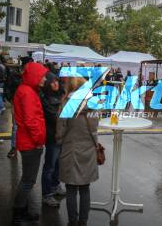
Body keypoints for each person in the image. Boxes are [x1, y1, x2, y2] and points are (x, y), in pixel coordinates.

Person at [56, 77, 100, 226]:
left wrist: (60, 140)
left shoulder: (66, 105)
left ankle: (72, 222)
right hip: (88, 150)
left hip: (70, 149)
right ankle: (83, 222)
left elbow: (60, 131)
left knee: (71, 189)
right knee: (85, 188)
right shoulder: (93, 105)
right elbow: (94, 129)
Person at [12, 62, 48, 225]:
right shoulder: (27, 92)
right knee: (28, 180)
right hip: (31, 143)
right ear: (34, 76)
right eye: (42, 76)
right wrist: (39, 140)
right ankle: (18, 215)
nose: (45, 79)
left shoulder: (27, 90)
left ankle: (23, 211)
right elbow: (30, 120)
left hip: (28, 141)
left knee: (28, 179)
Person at [40, 72, 66, 207]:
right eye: (52, 82)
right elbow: (55, 117)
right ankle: (47, 194)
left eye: (56, 81)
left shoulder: (62, 94)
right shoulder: (46, 98)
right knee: (49, 165)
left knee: (58, 164)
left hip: (61, 135)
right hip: (52, 136)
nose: (55, 84)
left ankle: (55, 185)